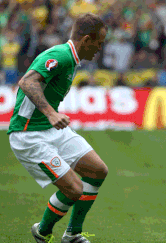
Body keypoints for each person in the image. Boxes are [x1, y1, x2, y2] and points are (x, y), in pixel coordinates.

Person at [8, 13, 108, 243]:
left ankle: (72, 234)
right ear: (86, 41)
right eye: (99, 43)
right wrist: (51, 113)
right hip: (29, 135)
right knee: (74, 189)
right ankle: (42, 231)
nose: (99, 49)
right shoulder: (60, 55)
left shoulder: (71, 60)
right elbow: (27, 82)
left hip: (50, 130)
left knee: (97, 170)